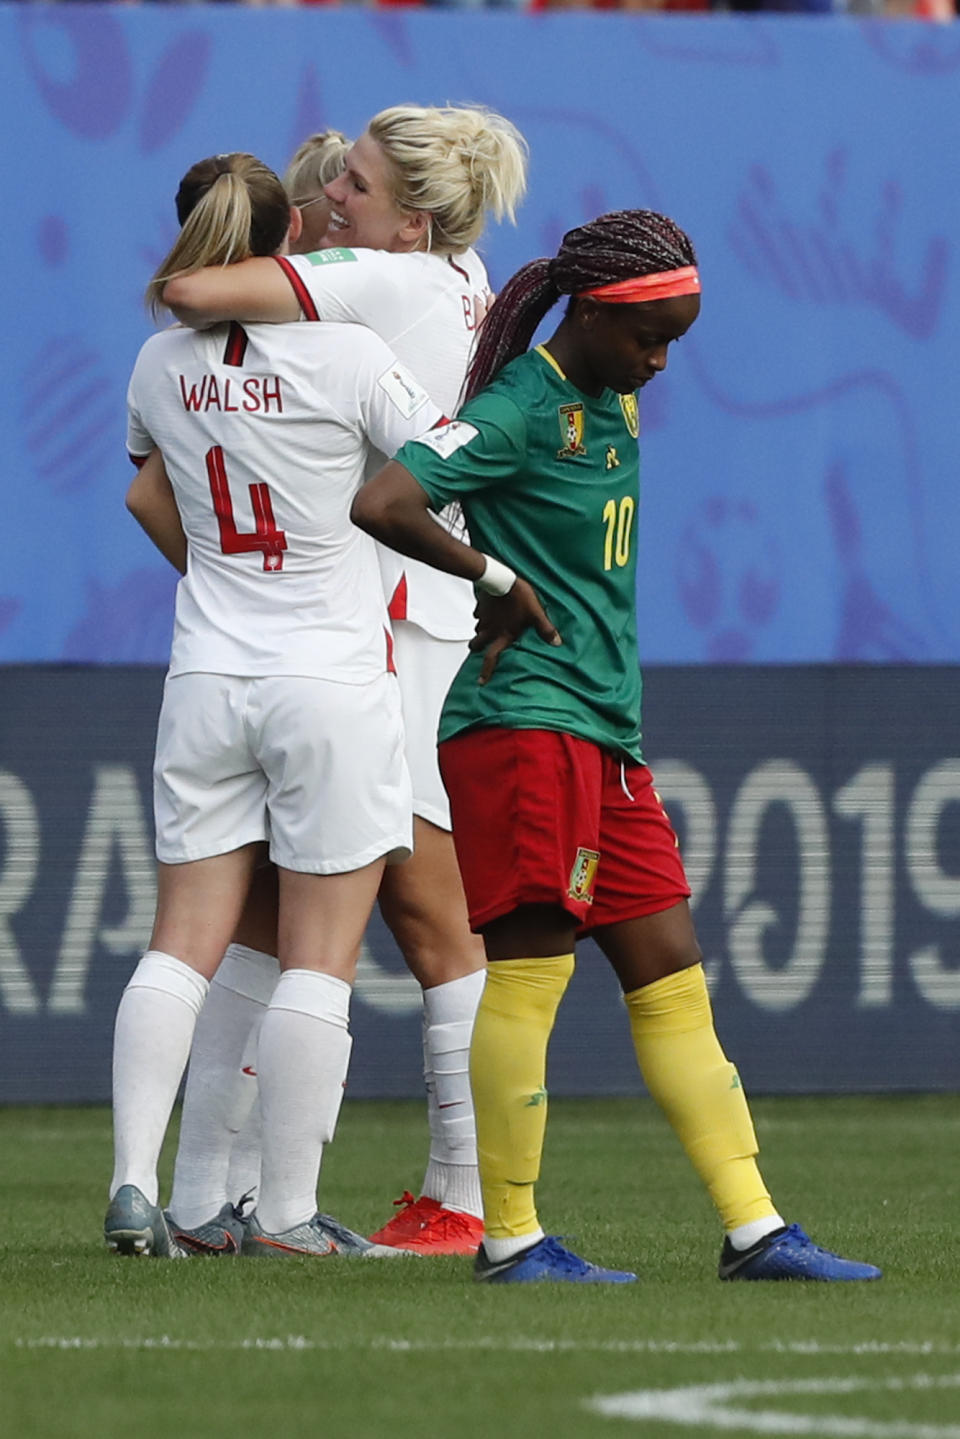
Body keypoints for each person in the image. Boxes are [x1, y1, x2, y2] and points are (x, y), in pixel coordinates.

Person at [350, 209, 885, 1285]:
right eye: (650, 337)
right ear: (591, 312)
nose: (660, 360)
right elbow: (386, 498)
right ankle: (509, 1236)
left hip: (604, 734)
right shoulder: (515, 410)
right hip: (525, 725)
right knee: (532, 974)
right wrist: (494, 579)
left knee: (673, 974)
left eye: (676, 339)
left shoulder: (613, 396)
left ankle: (756, 1229)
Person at [152, 104, 528, 1256]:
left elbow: (207, 289)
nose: (334, 210)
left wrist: (243, 232)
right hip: (358, 626)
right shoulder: (450, 273)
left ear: (410, 222)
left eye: (355, 190)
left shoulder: (396, 284)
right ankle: (212, 1192)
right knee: (276, 902)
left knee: (423, 906)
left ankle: (461, 1192)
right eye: (335, 188)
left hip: (396, 621)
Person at [106, 151, 443, 1260]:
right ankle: (290, 1214)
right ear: (290, 241)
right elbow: (439, 462)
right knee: (317, 957)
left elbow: (149, 493)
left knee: (180, 944)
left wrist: (211, 575)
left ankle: (132, 1184)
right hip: (332, 682)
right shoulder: (350, 352)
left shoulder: (158, 363)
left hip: (207, 673)